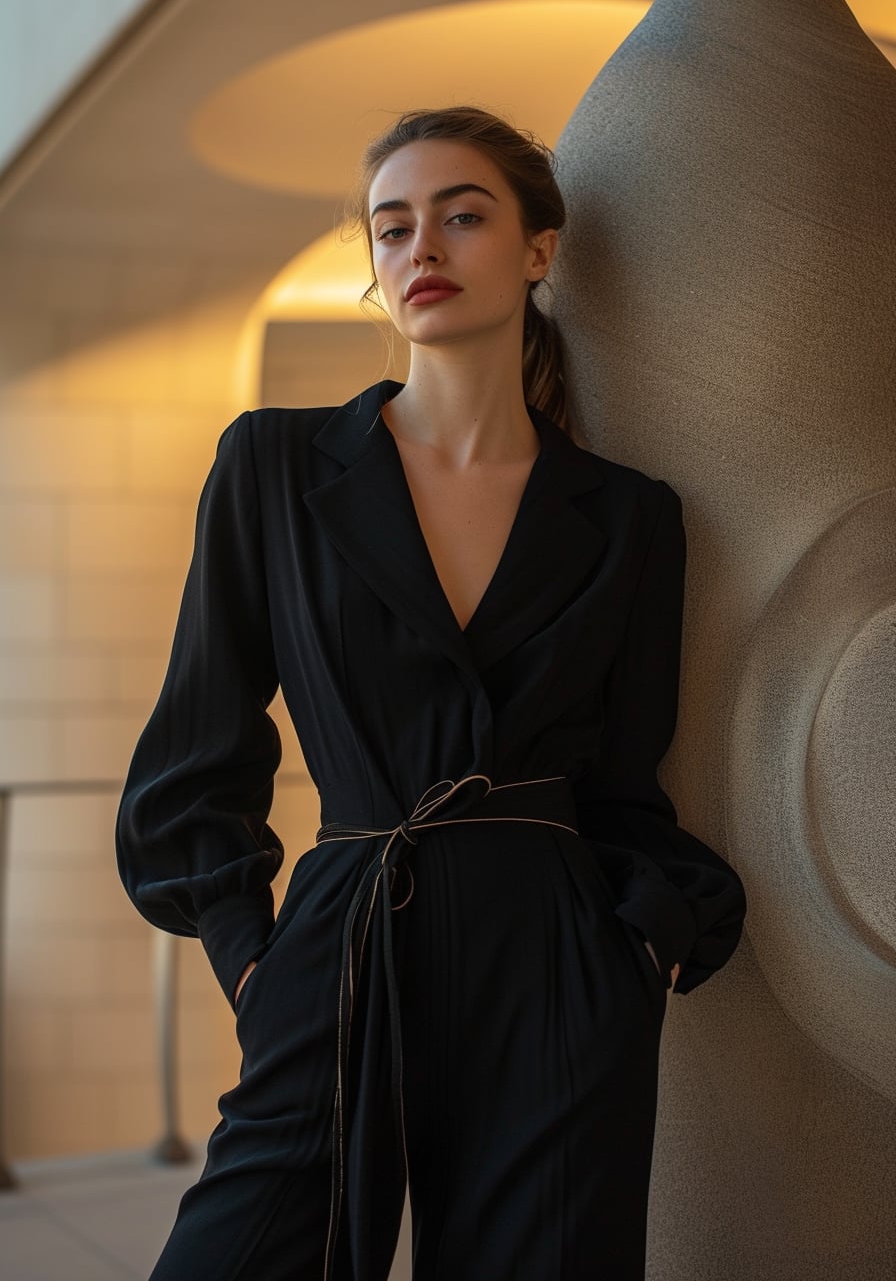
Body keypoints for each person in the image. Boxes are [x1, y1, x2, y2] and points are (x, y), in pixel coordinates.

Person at [116, 106, 746, 1281]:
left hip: (556, 965)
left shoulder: (627, 519)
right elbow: (196, 749)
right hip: (338, 943)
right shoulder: (271, 468)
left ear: (538, 250)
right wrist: (253, 956)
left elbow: (622, 777)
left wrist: (636, 953)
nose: (422, 250)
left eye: (461, 216)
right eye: (391, 227)